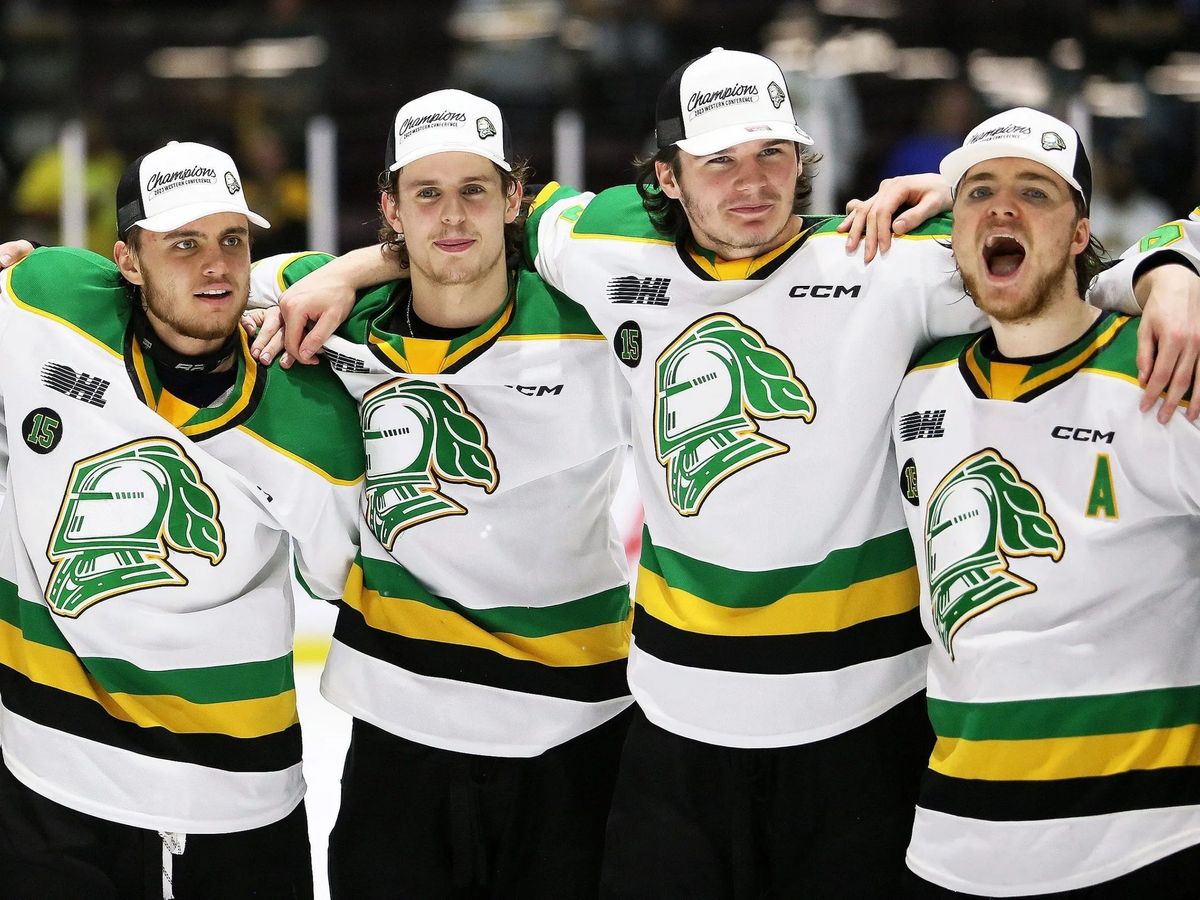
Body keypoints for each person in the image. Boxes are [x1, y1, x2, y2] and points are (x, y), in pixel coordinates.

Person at [274, 51, 1199, 897]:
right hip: (676, 737)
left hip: (865, 732)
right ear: (669, 176)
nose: (751, 184)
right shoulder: (601, 241)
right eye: (718, 161)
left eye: (771, 154)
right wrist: (349, 271)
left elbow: (1057, 269)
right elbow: (471, 222)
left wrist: (1167, 276)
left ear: (804, 160)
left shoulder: (887, 261)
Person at [249, 89, 633, 898]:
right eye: (426, 193)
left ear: (513, 201)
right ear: (391, 206)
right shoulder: (332, 314)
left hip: (576, 734)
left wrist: (361, 260)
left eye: (474, 191)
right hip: (400, 740)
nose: (451, 215)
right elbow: (181, 286)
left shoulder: (593, 320)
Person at [0, 140, 363, 898]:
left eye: (233, 238)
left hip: (239, 800)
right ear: (127, 261)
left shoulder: (310, 417)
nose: (216, 265)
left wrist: (363, 269)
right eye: (184, 243)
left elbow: (340, 576)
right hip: (52, 783)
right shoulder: (44, 305)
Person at [893, 107, 1200, 897]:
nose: (1001, 209)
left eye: (1036, 192)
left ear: (1077, 236)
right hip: (951, 846)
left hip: (1140, 845)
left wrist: (1174, 259)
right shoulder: (913, 383)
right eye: (978, 192)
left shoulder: (1159, 368)